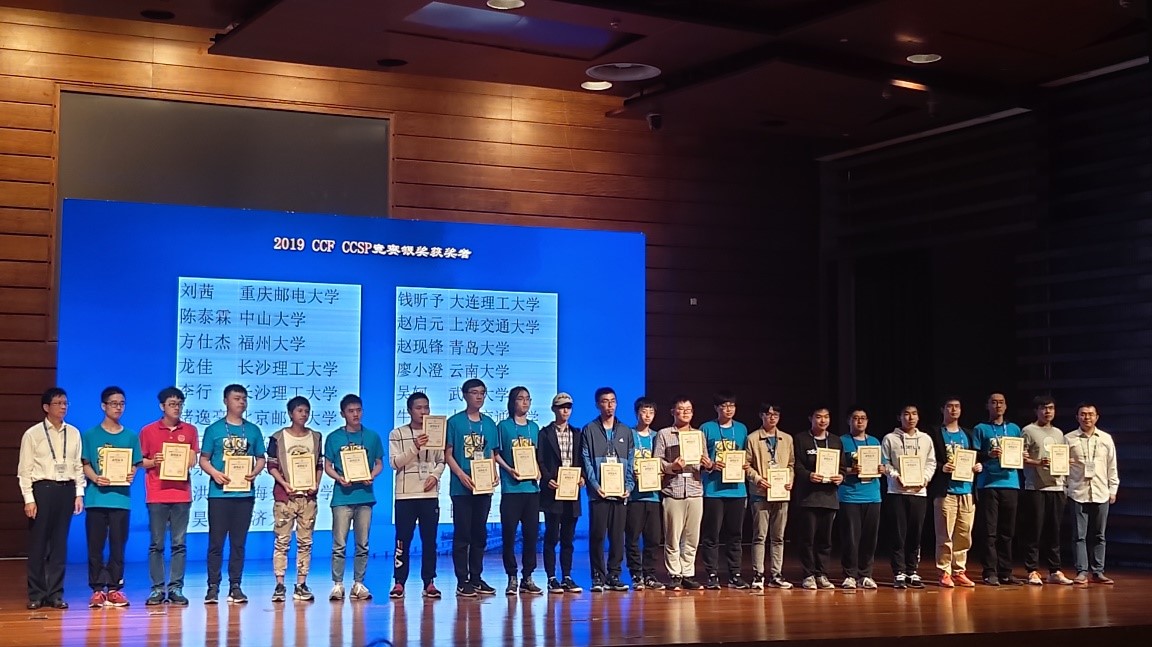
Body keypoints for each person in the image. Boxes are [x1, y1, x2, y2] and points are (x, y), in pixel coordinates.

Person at [19, 387, 84, 610]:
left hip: (66, 490)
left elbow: (77, 466)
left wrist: (79, 493)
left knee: (59, 544)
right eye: (58, 403)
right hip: (42, 490)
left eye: (65, 403)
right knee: (38, 544)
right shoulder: (33, 434)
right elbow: (24, 470)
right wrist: (29, 498)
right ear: (46, 407)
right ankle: (36, 594)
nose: (63, 407)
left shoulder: (74, 433)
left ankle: (55, 593)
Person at [200, 384, 266, 604]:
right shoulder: (214, 430)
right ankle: (212, 587)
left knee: (238, 543)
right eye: (237, 398)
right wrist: (215, 473)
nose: (242, 402)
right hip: (219, 495)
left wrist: (254, 472)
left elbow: (261, 458)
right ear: (225, 401)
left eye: (244, 398)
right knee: (216, 543)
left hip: (244, 495)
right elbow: (203, 459)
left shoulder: (253, 430)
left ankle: (235, 586)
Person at [81, 386, 142, 608]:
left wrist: (132, 473)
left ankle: (115, 588)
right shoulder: (90, 435)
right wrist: (96, 478)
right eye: (114, 403)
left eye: (122, 403)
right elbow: (85, 464)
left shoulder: (130, 436)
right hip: (96, 498)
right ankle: (97, 589)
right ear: (103, 406)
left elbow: (135, 465)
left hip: (120, 499)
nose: (118, 407)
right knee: (95, 546)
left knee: (118, 546)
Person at [139, 387, 199, 606]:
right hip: (157, 493)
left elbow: (193, 458)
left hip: (181, 494)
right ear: (162, 406)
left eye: (180, 404)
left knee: (179, 544)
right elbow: (139, 462)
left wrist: (189, 457)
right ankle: (157, 589)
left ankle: (175, 588)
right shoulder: (148, 431)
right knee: (156, 544)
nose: (177, 408)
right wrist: (154, 461)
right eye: (172, 404)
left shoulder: (190, 430)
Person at [324, 393, 385, 602]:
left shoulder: (372, 437)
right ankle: (337, 584)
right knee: (339, 544)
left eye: (358, 410)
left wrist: (372, 475)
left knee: (363, 543)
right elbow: (327, 466)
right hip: (342, 497)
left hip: (365, 496)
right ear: (343, 414)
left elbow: (379, 463)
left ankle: (359, 583)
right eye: (351, 411)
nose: (355, 414)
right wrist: (339, 478)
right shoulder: (334, 438)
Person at [445, 378, 501, 597]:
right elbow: (448, 454)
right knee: (462, 534)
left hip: (483, 487)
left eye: (482, 393)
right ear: (464, 395)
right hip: (462, 488)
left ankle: (476, 578)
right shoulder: (454, 422)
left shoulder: (490, 424)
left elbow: (491, 453)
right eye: (474, 392)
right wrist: (461, 475)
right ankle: (462, 580)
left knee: (480, 533)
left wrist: (494, 473)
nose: (479, 396)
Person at [388, 391, 446, 599]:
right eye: (418, 408)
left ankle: (429, 582)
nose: (423, 412)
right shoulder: (397, 433)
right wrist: (415, 446)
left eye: (426, 407)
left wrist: (435, 476)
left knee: (429, 540)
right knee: (402, 540)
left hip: (429, 495)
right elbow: (395, 463)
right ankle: (399, 582)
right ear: (409, 410)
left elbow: (441, 460)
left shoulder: (436, 432)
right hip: (405, 495)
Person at [266, 396, 323, 602]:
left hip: (308, 497)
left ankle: (301, 584)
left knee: (305, 542)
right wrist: (284, 483)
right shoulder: (278, 437)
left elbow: (319, 465)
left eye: (307, 411)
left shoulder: (316, 437)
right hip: (285, 497)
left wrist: (316, 483)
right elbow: (271, 466)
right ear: (291, 413)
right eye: (299, 411)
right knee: (282, 541)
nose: (304, 414)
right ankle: (279, 584)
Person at [581, 387, 635, 592]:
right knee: (597, 536)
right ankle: (598, 576)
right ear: (597, 404)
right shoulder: (589, 429)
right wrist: (595, 486)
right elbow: (586, 460)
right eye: (605, 401)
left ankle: (614, 575)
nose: (609, 405)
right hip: (599, 494)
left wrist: (629, 486)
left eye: (613, 401)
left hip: (620, 494)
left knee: (617, 537)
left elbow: (631, 461)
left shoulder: (625, 431)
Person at [494, 386, 543, 596]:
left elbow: (538, 455)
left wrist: (538, 470)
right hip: (511, 489)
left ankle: (528, 577)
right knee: (509, 535)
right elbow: (495, 454)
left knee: (531, 535)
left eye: (528, 399)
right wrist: (509, 470)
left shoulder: (534, 427)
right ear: (512, 402)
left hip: (531, 490)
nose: (525, 402)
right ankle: (512, 576)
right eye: (520, 398)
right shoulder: (503, 426)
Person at [881, 404, 936, 589]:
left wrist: (925, 479)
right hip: (897, 492)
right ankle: (899, 572)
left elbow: (931, 463)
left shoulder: (926, 439)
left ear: (918, 417)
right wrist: (896, 476)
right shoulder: (890, 438)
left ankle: (912, 571)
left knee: (915, 533)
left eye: (914, 414)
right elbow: (885, 462)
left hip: (919, 493)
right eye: (906, 414)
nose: (910, 417)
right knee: (898, 534)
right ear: (899, 417)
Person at [972, 392, 1024, 586]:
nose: (998, 406)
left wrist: (1022, 455)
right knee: (989, 531)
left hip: (1011, 482)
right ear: (988, 406)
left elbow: (1019, 452)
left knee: (1007, 531)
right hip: (988, 484)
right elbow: (974, 455)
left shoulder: (1014, 429)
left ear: (1006, 406)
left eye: (1001, 402)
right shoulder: (980, 428)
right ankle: (989, 572)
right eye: (994, 402)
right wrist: (989, 454)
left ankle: (1006, 572)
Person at [653, 396, 705, 590]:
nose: (685, 412)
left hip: (694, 489)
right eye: (681, 409)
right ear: (673, 412)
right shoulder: (664, 434)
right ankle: (674, 574)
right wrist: (672, 467)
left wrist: (707, 464)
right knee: (673, 536)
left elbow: (704, 461)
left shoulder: (698, 435)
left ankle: (688, 573)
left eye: (688, 409)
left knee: (692, 536)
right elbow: (657, 460)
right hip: (673, 490)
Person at [699, 391, 749, 590]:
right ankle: (712, 574)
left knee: (735, 535)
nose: (728, 409)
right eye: (724, 406)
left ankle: (735, 574)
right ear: (716, 408)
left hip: (738, 490)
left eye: (732, 406)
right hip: (714, 490)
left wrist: (746, 465)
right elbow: (700, 459)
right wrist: (711, 465)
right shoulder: (706, 428)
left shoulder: (742, 429)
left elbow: (746, 455)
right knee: (712, 535)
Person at [928, 397, 981, 589]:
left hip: (967, 490)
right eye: (949, 406)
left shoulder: (968, 433)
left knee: (964, 533)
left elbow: (975, 456)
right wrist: (941, 467)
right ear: (942, 409)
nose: (953, 410)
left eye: (957, 406)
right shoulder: (935, 433)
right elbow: (928, 460)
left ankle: (959, 571)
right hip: (946, 491)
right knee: (945, 534)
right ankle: (944, 571)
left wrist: (978, 466)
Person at [1020, 396, 1073, 585]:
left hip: (1057, 486)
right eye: (1043, 408)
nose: (1047, 411)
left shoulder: (1059, 433)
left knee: (1055, 530)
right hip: (1036, 486)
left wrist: (1066, 463)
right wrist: (1038, 463)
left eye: (1051, 408)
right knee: (1034, 529)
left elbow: (1062, 456)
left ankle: (1054, 570)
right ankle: (1032, 570)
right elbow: (1019, 458)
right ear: (1036, 411)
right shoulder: (1028, 431)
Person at [1065, 403, 1119, 584]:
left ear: (1097, 417)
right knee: (1079, 535)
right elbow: (1062, 466)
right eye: (1083, 414)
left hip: (1101, 491)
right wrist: (1065, 488)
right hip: (1077, 492)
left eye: (1090, 414)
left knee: (1099, 535)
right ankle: (1082, 571)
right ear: (1077, 417)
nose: (1086, 417)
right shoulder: (1068, 438)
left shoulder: (1106, 438)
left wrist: (1113, 489)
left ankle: (1098, 571)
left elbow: (1112, 466)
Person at [537, 393, 584, 594]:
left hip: (572, 492)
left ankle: (567, 576)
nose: (565, 410)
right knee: (551, 537)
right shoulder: (544, 433)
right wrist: (547, 479)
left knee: (568, 539)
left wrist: (582, 477)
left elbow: (581, 459)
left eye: (568, 407)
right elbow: (540, 460)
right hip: (553, 491)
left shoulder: (577, 433)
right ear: (554, 409)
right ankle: (551, 577)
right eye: (561, 407)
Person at [792, 406, 844, 590]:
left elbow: (842, 466)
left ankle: (822, 574)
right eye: (818, 417)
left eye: (826, 417)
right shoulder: (801, 439)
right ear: (810, 418)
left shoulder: (836, 440)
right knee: (807, 539)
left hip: (829, 497)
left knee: (825, 540)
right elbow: (796, 465)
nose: (823, 420)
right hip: (808, 497)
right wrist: (808, 475)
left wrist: (841, 476)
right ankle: (808, 574)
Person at [744, 403, 794, 589]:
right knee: (760, 536)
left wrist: (790, 480)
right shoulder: (752, 438)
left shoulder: (786, 439)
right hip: (760, 494)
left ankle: (776, 574)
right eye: (768, 414)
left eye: (776, 414)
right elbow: (746, 465)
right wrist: (757, 479)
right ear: (761, 416)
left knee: (778, 537)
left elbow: (791, 464)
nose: (772, 417)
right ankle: (758, 574)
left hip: (781, 494)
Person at [838, 407, 882, 590]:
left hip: (873, 496)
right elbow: (836, 468)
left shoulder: (874, 441)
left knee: (869, 539)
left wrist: (881, 469)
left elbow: (882, 465)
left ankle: (865, 574)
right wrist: (850, 470)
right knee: (850, 538)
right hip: (850, 496)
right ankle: (850, 575)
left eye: (863, 418)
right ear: (849, 421)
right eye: (856, 418)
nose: (860, 421)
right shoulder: (841, 441)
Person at [625, 396, 662, 590]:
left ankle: (650, 574)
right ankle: (636, 574)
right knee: (632, 537)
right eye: (644, 411)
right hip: (634, 496)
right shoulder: (628, 434)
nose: (647, 415)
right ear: (636, 413)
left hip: (653, 495)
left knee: (653, 538)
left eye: (651, 412)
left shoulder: (658, 436)